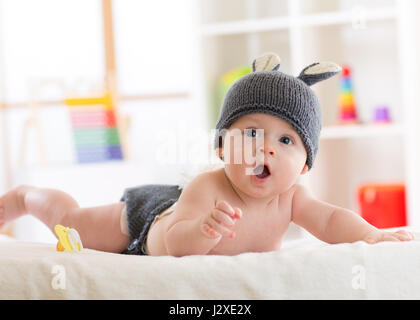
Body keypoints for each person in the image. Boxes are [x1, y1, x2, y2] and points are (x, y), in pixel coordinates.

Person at [0, 53, 414, 257]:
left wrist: (371, 235)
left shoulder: (291, 198)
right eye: (251, 132)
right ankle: (25, 197)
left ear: (305, 164)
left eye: (286, 141)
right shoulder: (208, 187)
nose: (266, 146)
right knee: (72, 227)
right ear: (222, 146)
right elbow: (170, 246)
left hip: (178, 219)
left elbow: (329, 220)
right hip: (150, 218)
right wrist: (205, 229)